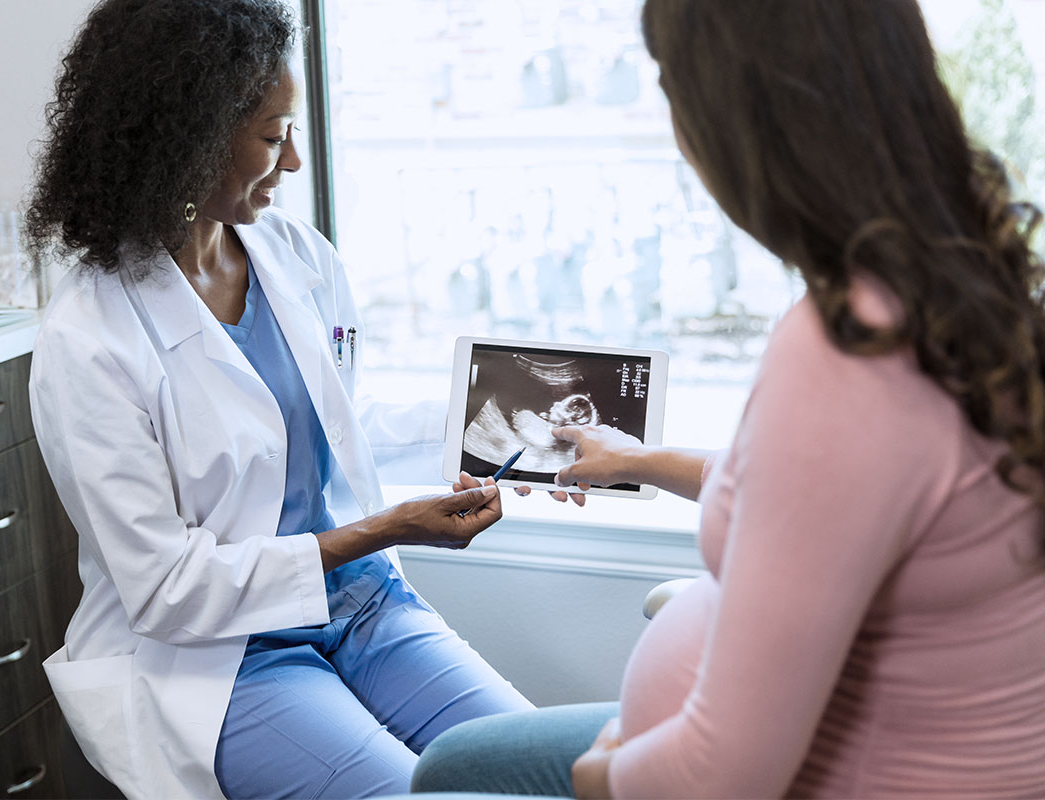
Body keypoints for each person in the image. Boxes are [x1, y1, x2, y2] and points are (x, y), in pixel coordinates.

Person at [413, 0, 1045, 797]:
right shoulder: (961, 278)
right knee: (450, 761)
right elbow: (831, 501)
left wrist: (598, 770)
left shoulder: (846, 354)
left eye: (674, 89)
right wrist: (643, 461)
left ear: (744, 122)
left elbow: (723, 774)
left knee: (446, 783)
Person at [22, 1, 532, 798]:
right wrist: (384, 528)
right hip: (222, 656)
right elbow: (167, 589)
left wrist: (512, 429)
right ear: (187, 136)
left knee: (544, 772)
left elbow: (330, 426)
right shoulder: (89, 340)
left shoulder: (296, 255)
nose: (293, 162)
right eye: (271, 135)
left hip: (361, 607)